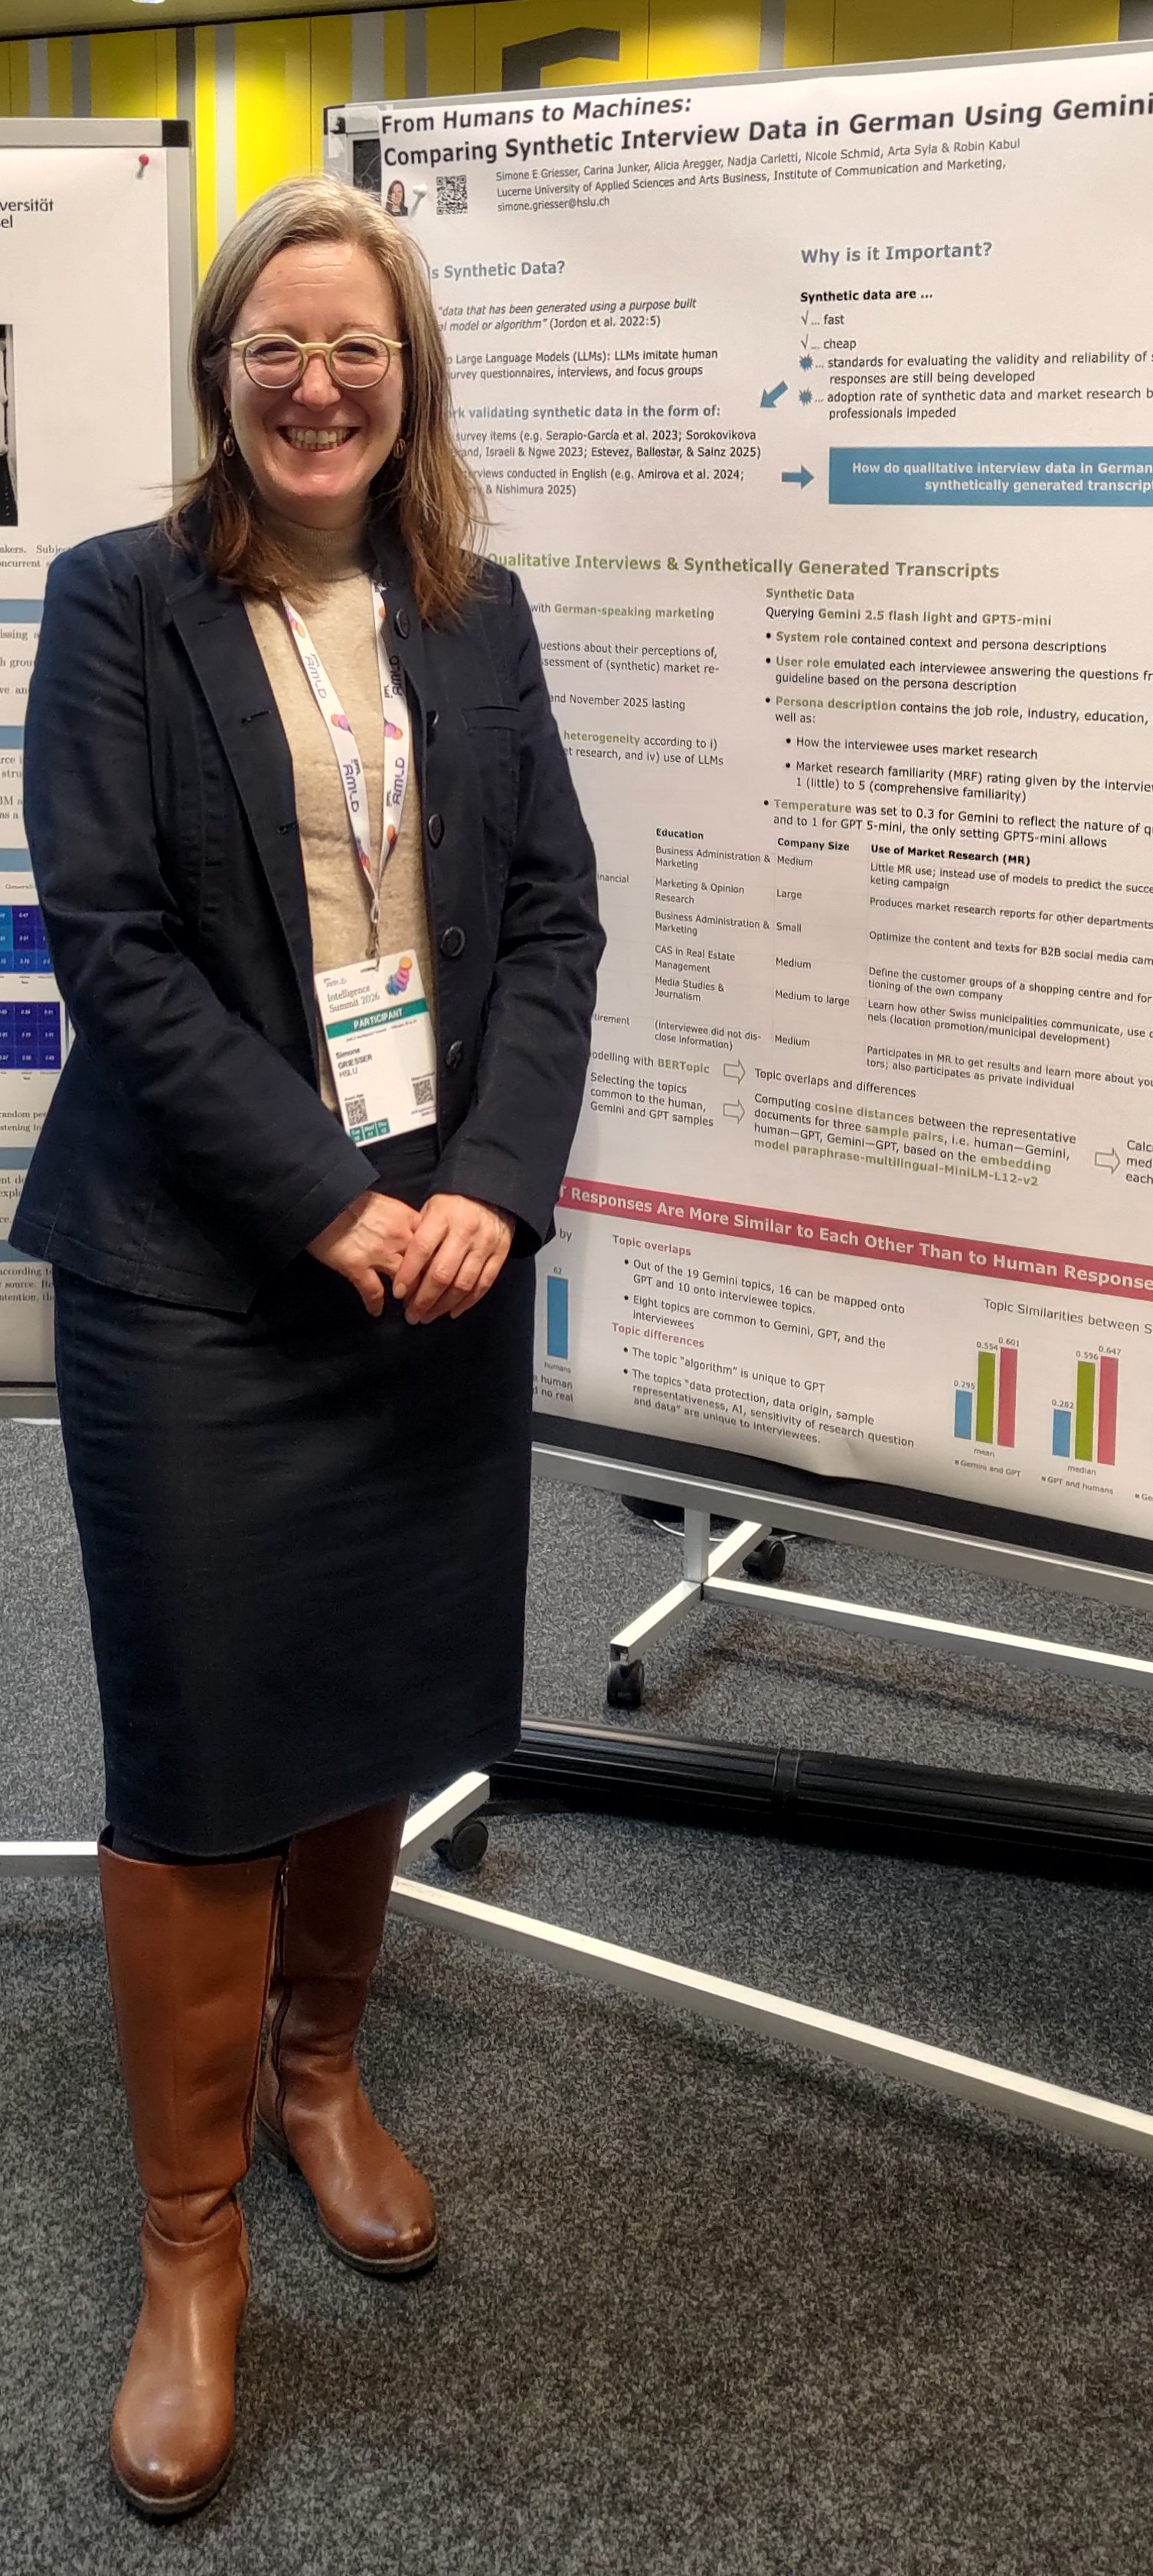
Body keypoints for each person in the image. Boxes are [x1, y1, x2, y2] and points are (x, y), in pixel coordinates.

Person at [15, 174, 602, 2519]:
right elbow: (115, 944)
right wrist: (330, 1197)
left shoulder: (477, 613)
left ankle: (321, 2074)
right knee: (199, 1736)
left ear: (409, 378)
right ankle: (191, 2249)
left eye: (359, 346)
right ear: (221, 372)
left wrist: (489, 1188)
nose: (319, 383)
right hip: (198, 1262)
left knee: (372, 1683)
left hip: (433, 1256)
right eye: (277, 344)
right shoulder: (116, 605)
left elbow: (549, 918)